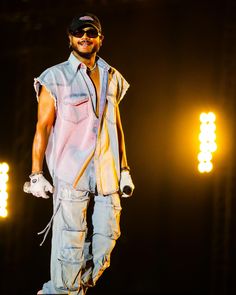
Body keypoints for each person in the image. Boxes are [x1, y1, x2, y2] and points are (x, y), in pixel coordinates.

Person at [23, 12, 134, 295]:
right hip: (71, 171)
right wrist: (36, 174)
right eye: (79, 32)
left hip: (107, 172)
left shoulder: (113, 76)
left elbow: (117, 126)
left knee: (106, 242)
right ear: (70, 37)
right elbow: (43, 127)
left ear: (100, 39)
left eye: (91, 32)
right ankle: (62, 291)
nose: (85, 36)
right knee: (70, 244)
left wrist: (125, 169)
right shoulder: (55, 77)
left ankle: (63, 291)